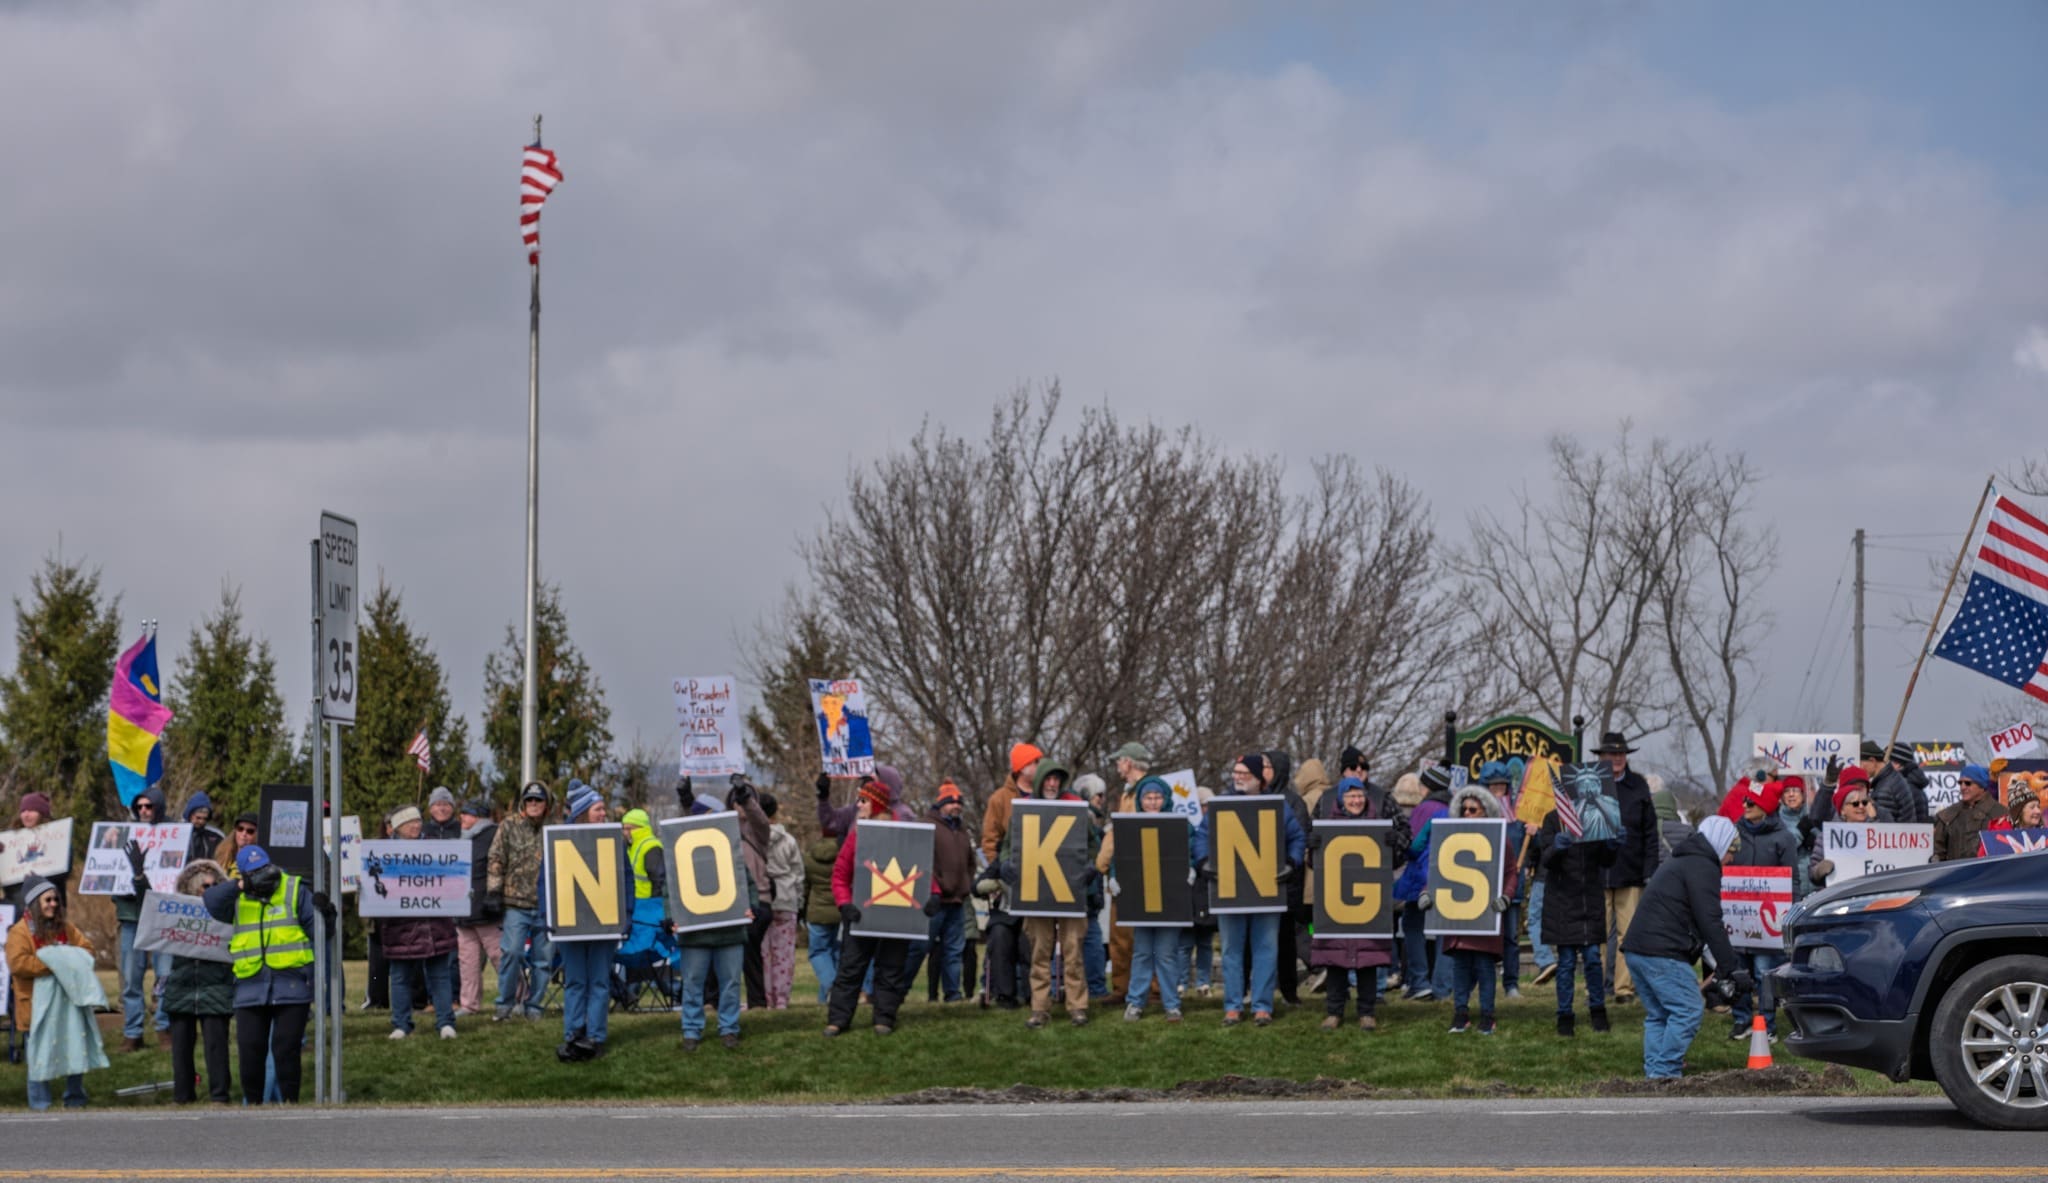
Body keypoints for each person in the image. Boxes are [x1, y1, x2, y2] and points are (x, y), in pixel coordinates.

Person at [1620, 815, 1747, 1081]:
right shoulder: (1703, 866)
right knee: (1688, 1010)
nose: (1732, 858)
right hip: (1661, 951)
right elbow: (1710, 920)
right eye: (1732, 849)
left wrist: (1723, 965)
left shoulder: (1684, 860)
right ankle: (1665, 1070)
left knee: (1659, 1014)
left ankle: (1655, 1075)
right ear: (1721, 843)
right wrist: (1731, 967)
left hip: (1637, 949)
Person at [203, 845, 332, 1104]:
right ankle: (253, 1106)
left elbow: (321, 933)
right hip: (249, 986)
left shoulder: (293, 888)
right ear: (243, 874)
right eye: (254, 871)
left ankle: (290, 1104)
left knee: (286, 1049)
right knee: (250, 1051)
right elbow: (210, 901)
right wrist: (242, 886)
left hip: (292, 984)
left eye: (264, 868)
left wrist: (328, 915)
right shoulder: (236, 896)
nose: (262, 874)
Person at [1194, 753, 1305, 1027]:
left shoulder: (1277, 806)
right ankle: (1233, 1006)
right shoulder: (1221, 804)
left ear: (1258, 779)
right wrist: (1203, 861)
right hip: (1229, 888)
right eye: (1236, 772)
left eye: (1244, 773)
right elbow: (1201, 836)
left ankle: (1262, 1006)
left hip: (1266, 888)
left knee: (1266, 948)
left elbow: (1297, 837)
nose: (1238, 777)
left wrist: (1292, 863)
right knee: (1231, 950)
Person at [1004, 759, 1097, 1028]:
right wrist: (1006, 864)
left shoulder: (1075, 808)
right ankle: (1040, 1008)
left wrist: (1091, 867)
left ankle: (1077, 1007)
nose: (1052, 784)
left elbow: (1093, 844)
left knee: (1073, 952)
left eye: (1056, 779)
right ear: (1039, 781)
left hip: (1070, 892)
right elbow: (1008, 845)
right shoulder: (1024, 810)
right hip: (1036, 893)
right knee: (1039, 952)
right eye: (1048, 779)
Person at [1310, 775, 1405, 1031]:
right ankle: (1334, 1011)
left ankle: (1367, 1012)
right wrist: (1314, 848)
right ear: (1341, 799)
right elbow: (1315, 866)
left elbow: (1394, 862)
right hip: (1337, 905)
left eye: (1360, 795)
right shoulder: (1327, 825)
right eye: (1351, 795)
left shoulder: (1378, 824)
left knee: (1368, 962)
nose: (1356, 800)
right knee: (1335, 962)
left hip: (1368, 906)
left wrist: (1394, 845)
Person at [824, 779, 919, 1036]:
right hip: (860, 913)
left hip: (896, 910)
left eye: (864, 800)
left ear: (876, 805)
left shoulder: (903, 835)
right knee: (851, 966)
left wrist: (931, 895)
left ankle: (884, 1017)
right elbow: (840, 874)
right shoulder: (857, 835)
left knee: (891, 966)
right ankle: (838, 1019)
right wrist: (845, 904)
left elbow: (920, 868)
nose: (858, 805)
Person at [1429, 787, 1519, 1035]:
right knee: (1460, 966)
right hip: (1458, 914)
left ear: (1485, 811)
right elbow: (1438, 869)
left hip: (1485, 913)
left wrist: (1506, 897)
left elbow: (1511, 872)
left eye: (1473, 809)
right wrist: (1428, 893)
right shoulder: (1451, 836)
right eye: (1464, 809)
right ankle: (1460, 1014)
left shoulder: (1499, 837)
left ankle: (1488, 1015)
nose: (1467, 813)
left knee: (1484, 966)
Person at [1529, 793, 1616, 1037]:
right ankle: (1565, 1015)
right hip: (1562, 901)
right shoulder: (1552, 819)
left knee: (1592, 959)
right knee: (1566, 962)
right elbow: (1546, 860)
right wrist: (1556, 848)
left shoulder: (1595, 819)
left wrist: (1613, 845)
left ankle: (1598, 1010)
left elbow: (1606, 861)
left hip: (1589, 900)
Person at [7, 874, 95, 1110]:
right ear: (34, 903)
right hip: (35, 1007)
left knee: (74, 1051)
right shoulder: (19, 932)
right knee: (39, 1058)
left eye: (56, 899)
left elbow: (87, 950)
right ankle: (40, 1104)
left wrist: (65, 959)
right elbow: (18, 963)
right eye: (48, 900)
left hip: (67, 1005)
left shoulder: (66, 928)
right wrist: (56, 963)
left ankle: (75, 1099)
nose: (53, 904)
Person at [1726, 779, 1797, 1042]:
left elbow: (1792, 880)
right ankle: (1741, 1020)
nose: (1745, 805)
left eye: (1751, 802)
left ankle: (1767, 1024)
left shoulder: (1784, 838)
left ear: (1766, 806)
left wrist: (1791, 913)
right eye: (1745, 800)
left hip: (1768, 921)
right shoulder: (1734, 833)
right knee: (1738, 970)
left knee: (1764, 973)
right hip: (1739, 918)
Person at [1114, 776, 1189, 1023]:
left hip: (1170, 899)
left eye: (1157, 797)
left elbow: (1191, 849)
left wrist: (1191, 869)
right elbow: (1119, 856)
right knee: (1142, 953)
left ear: (1165, 799)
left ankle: (1172, 1004)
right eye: (1148, 797)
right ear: (1141, 800)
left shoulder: (1180, 824)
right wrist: (1114, 877)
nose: (1153, 802)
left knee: (1167, 954)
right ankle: (1135, 1002)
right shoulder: (1130, 825)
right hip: (1141, 899)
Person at [380, 806, 459, 1041]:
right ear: (397, 827)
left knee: (440, 975)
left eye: (418, 821)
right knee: (400, 977)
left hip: (435, 926)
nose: (416, 825)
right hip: (399, 928)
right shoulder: (382, 854)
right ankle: (401, 1024)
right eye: (409, 822)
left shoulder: (436, 848)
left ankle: (446, 1022)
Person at [1099, 743, 1170, 1000]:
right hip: (1123, 871)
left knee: (1140, 935)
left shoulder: (1146, 792)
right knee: (1120, 934)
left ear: (1128, 762)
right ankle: (1123, 987)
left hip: (1138, 873)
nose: (1118, 767)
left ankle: (1152, 989)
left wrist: (1102, 863)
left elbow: (1124, 835)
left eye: (1119, 761)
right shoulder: (1127, 794)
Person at [1595, 733, 1659, 1005]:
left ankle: (1624, 988)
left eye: (1621, 754)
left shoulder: (1639, 786)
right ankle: (1596, 987)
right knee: (1596, 934)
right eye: (1612, 754)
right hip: (1596, 870)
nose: (1617, 758)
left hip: (1630, 869)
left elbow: (1650, 832)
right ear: (1602, 757)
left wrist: (1649, 868)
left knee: (1628, 933)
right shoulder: (1589, 785)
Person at [978, 743, 1043, 1009]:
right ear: (1021, 767)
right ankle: (1003, 994)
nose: (1039, 766)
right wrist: (998, 871)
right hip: (1007, 881)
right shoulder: (999, 799)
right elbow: (989, 840)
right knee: (1001, 936)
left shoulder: (1044, 795)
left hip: (1038, 879)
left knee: (1031, 940)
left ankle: (1032, 993)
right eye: (1034, 762)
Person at [164, 859, 235, 1103]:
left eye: (215, 885)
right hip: (181, 986)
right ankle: (183, 1097)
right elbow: (151, 910)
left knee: (217, 1047)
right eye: (205, 886)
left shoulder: (227, 912)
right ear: (193, 887)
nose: (210, 890)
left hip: (215, 986)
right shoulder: (176, 912)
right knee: (181, 1048)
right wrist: (140, 879)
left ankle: (220, 1096)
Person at [555, 779, 616, 1062]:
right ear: (582, 812)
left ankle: (596, 1036)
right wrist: (549, 917)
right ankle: (574, 1034)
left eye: (604, 809)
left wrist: (625, 917)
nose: (604, 814)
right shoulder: (559, 840)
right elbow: (547, 881)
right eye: (598, 809)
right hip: (570, 923)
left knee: (600, 981)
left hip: (605, 923)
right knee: (576, 981)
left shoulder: (612, 840)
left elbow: (624, 879)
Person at [487, 782, 553, 1022]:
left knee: (543, 960)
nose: (533, 804)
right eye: (529, 800)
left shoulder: (555, 829)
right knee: (512, 953)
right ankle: (504, 1004)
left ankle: (534, 1006)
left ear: (547, 804)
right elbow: (496, 858)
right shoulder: (509, 825)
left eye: (538, 800)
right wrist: (494, 891)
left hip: (547, 906)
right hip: (515, 903)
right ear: (523, 803)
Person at [115, 785, 173, 1051]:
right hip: (130, 915)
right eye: (139, 807)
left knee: (165, 975)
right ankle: (133, 1032)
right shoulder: (123, 834)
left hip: (161, 914)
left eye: (149, 806)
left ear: (158, 807)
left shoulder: (173, 834)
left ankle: (164, 1028)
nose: (143, 811)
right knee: (131, 977)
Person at [679, 853, 757, 1052]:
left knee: (730, 982)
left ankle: (728, 1028)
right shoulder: (681, 851)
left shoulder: (731, 850)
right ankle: (691, 1030)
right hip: (695, 932)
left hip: (729, 931)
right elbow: (670, 887)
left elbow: (747, 883)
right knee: (693, 982)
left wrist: (752, 907)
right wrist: (672, 916)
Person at [1260, 749, 1310, 1008]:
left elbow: (1299, 839)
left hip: (1285, 883)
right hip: (1256, 882)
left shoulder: (1293, 802)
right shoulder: (1252, 798)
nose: (1262, 771)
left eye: (1266, 766)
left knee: (1285, 940)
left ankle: (1289, 991)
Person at [1399, 763, 1453, 1000]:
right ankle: (1443, 987)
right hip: (1447, 874)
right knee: (1444, 930)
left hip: (1422, 875)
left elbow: (1414, 844)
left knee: (1412, 925)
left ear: (1428, 787)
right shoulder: (1453, 807)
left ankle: (1419, 981)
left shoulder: (1425, 809)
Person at [921, 781, 974, 1003]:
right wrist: (937, 884)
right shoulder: (927, 826)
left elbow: (970, 862)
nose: (956, 806)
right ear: (941, 804)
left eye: (959, 803)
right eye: (951, 802)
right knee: (921, 948)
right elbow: (923, 860)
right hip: (935, 901)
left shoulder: (962, 831)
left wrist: (967, 883)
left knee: (954, 950)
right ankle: (899, 990)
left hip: (957, 900)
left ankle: (952, 993)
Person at [1480, 763, 1528, 1000]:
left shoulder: (1519, 815)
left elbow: (1530, 848)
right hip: (1483, 886)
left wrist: (1533, 832)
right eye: (1493, 786)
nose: (1498, 790)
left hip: (1512, 886)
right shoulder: (1476, 814)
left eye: (1502, 785)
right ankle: (1482, 982)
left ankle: (1511, 984)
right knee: (1482, 939)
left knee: (1511, 938)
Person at [454, 798, 502, 1018]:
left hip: (486, 909)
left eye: (467, 813)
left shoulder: (493, 835)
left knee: (499, 956)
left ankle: (517, 996)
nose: (462, 817)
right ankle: (469, 1004)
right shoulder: (462, 837)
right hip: (463, 910)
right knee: (468, 961)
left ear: (478, 816)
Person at [760, 793, 804, 1010]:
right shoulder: (789, 841)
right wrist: (799, 900)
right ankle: (782, 999)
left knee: (764, 954)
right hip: (786, 898)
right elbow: (798, 874)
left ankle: (766, 997)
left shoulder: (752, 840)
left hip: (762, 898)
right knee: (784, 955)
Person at [801, 810, 845, 1006]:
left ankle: (830, 988)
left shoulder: (809, 856)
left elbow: (805, 886)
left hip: (817, 911)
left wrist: (803, 909)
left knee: (818, 952)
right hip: (841, 909)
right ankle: (827, 997)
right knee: (836, 953)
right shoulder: (845, 853)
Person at [1808, 770, 1877, 890]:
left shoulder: (1877, 832)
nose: (1861, 806)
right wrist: (1819, 870)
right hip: (1839, 895)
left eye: (1864, 802)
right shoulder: (1829, 836)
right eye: (1855, 804)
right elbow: (1812, 873)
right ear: (1843, 810)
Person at [1933, 763, 2005, 862]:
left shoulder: (2000, 814)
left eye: (1968, 783)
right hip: (1956, 871)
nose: (1962, 787)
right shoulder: (1948, 815)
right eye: (1960, 783)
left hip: (1990, 871)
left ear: (1981, 786)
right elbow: (1938, 852)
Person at [7, 792, 69, 905]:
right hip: (19, 907)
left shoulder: (59, 838)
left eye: (31, 810)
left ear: (42, 813)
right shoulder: (10, 841)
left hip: (50, 905)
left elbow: (64, 872)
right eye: (23, 811)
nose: (26, 815)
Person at [1865, 740, 1931, 824]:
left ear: (1897, 764)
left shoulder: (1899, 787)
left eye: (1886, 762)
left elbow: (1886, 823)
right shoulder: (1914, 785)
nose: (1883, 766)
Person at [181, 793, 223, 869]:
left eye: (205, 819)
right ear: (190, 815)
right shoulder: (178, 832)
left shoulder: (216, 836)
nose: (201, 822)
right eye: (198, 818)